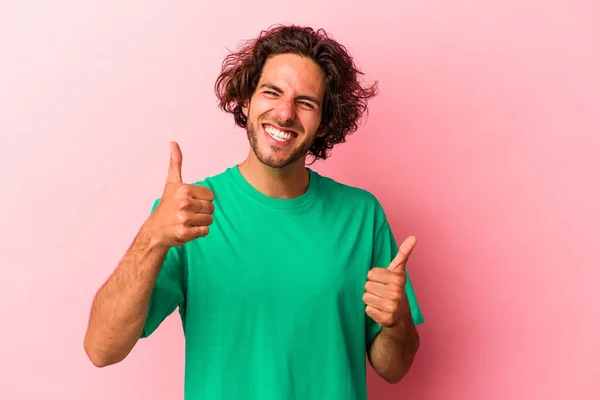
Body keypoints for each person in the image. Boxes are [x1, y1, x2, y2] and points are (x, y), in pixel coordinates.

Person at [84, 24, 424, 399]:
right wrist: (153, 236)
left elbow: (393, 369)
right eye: (271, 92)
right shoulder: (187, 213)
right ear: (246, 101)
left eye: (306, 102)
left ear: (324, 122)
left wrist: (397, 322)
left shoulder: (362, 215)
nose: (285, 113)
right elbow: (102, 349)